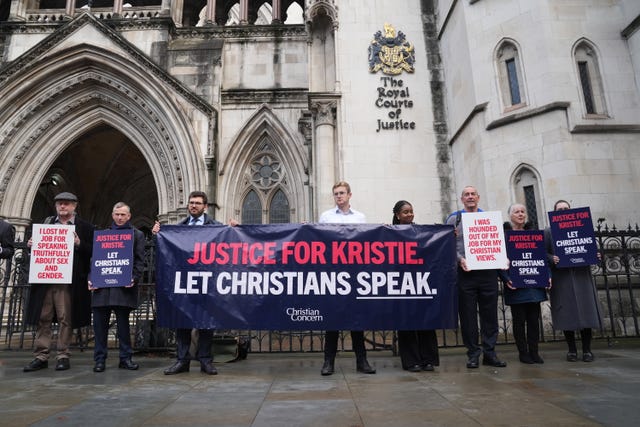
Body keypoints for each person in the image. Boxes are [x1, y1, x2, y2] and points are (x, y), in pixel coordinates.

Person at [153, 191, 222, 376]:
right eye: (191, 203)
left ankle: (205, 360)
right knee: (182, 322)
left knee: (206, 324)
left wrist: (233, 228)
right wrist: (158, 235)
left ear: (205, 206)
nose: (193, 206)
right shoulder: (177, 228)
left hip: (207, 282)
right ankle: (182, 360)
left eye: (198, 203)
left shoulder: (216, 227)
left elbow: (228, 244)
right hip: (184, 282)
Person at [24, 192, 94, 372]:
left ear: (74, 206)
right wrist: (32, 245)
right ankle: (41, 355)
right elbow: (35, 253)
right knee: (43, 318)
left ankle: (63, 354)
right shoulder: (46, 224)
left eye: (66, 204)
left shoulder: (85, 227)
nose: (63, 207)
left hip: (69, 282)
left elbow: (94, 253)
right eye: (60, 204)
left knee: (66, 318)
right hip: (46, 280)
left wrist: (79, 244)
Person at [445, 186, 507, 369]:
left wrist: (503, 258)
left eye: (473, 194)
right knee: (468, 316)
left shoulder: (488, 218)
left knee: (490, 315)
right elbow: (447, 244)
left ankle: (490, 352)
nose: (470, 197)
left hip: (488, 273)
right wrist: (459, 259)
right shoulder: (454, 218)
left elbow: (497, 243)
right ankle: (473, 354)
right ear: (462, 199)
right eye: (467, 194)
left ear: (478, 198)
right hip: (466, 273)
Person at [319, 181, 376, 375]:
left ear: (350, 195)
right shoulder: (325, 217)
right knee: (332, 321)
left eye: (342, 193)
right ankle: (328, 362)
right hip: (333, 275)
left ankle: (362, 361)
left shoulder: (360, 217)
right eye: (336, 193)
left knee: (356, 320)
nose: (339, 196)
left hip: (354, 275)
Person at [89, 202, 145, 373]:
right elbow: (94, 260)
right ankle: (100, 360)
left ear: (129, 216)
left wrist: (133, 278)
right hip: (102, 289)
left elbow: (140, 261)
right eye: (117, 214)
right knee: (99, 327)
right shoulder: (102, 235)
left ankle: (125, 358)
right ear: (112, 215)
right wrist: (91, 278)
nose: (119, 217)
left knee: (123, 327)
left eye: (123, 215)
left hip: (123, 289)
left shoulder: (137, 235)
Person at [545, 199, 603, 363]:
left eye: (565, 208)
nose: (563, 211)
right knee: (567, 315)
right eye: (559, 209)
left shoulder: (583, 227)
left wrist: (597, 255)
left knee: (586, 313)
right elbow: (543, 253)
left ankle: (587, 350)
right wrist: (552, 258)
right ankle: (571, 350)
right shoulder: (549, 232)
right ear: (555, 213)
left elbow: (591, 249)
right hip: (561, 278)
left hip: (581, 276)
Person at [393, 200, 439, 372]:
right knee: (407, 323)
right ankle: (411, 361)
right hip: (402, 283)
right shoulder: (391, 233)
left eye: (411, 211)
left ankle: (428, 359)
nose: (409, 214)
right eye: (405, 212)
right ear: (397, 215)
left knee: (426, 322)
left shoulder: (422, 231)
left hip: (421, 281)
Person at [499, 204, 548, 364]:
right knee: (519, 321)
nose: (520, 214)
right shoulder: (503, 236)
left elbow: (542, 258)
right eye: (516, 212)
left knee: (534, 320)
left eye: (523, 212)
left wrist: (548, 276)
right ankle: (523, 352)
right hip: (516, 285)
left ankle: (535, 351)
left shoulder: (534, 235)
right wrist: (506, 279)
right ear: (510, 216)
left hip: (534, 285)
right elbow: (498, 261)